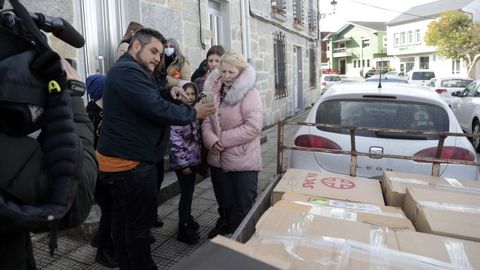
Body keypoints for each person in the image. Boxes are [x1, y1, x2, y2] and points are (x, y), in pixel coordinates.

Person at [96, 28, 215, 270]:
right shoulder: (128, 71)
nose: (157, 58)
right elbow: (155, 108)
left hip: (125, 163)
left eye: (160, 54)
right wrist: (194, 112)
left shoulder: (132, 70)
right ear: (136, 46)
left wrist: (169, 91)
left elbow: (148, 98)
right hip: (130, 166)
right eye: (153, 51)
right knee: (138, 228)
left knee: (123, 222)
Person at [201, 51, 263, 238]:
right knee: (224, 202)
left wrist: (223, 139)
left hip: (243, 160)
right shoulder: (209, 90)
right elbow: (204, 119)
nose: (226, 76)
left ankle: (244, 240)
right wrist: (211, 140)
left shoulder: (250, 93)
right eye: (223, 71)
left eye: (231, 72)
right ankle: (225, 225)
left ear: (241, 72)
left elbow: (254, 127)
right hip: (217, 158)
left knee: (244, 206)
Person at [85, 74, 118, 268]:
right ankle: (103, 251)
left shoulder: (107, 111)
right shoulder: (91, 115)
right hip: (98, 172)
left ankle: (100, 239)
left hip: (108, 168)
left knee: (111, 208)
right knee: (109, 209)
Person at [169, 81, 202, 245]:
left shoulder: (193, 112)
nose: (189, 97)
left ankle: (188, 218)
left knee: (190, 192)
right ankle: (183, 226)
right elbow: (175, 143)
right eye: (186, 93)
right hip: (184, 163)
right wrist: (183, 165)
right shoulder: (177, 114)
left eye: (192, 94)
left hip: (193, 159)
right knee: (186, 194)